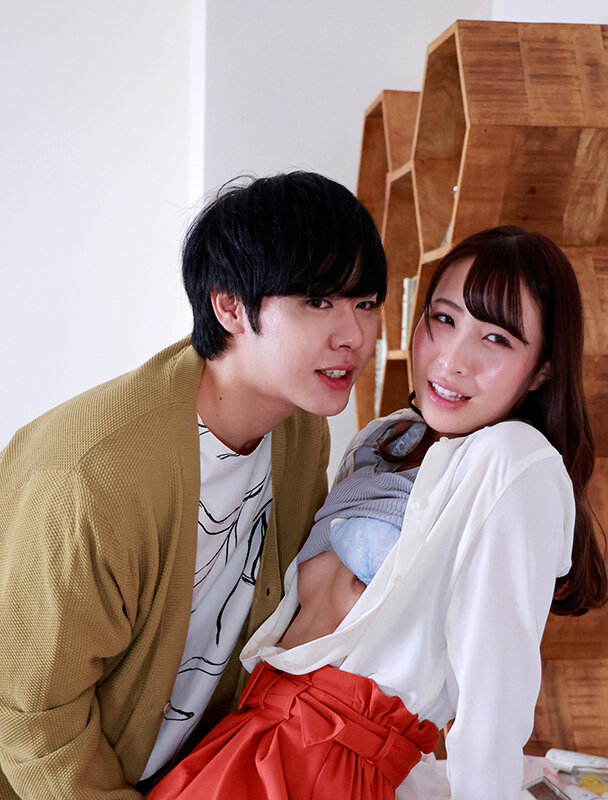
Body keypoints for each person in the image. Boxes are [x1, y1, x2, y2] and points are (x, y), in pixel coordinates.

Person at [146, 226, 607, 800]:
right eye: (443, 319)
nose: (453, 360)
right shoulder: (387, 438)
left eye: (496, 338)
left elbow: (494, 697)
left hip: (320, 768)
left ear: (542, 369)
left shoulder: (515, 459)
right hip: (247, 738)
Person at [0, 171, 388, 799]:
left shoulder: (299, 432)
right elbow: (32, 717)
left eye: (365, 303)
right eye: (318, 302)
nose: (355, 336)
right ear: (228, 306)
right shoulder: (90, 478)